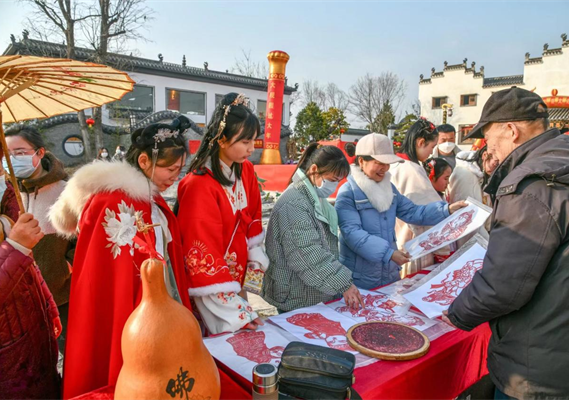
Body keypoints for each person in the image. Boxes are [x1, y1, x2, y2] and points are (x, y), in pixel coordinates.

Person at [444, 87, 569, 400]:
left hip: (536, 366)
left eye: (489, 139)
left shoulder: (530, 186)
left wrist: (456, 312)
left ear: (511, 131)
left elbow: (503, 285)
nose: (489, 150)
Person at [49, 117, 193, 399]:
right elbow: (106, 270)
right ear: (143, 160)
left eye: (179, 169)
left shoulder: (150, 199)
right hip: (128, 305)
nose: (175, 176)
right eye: (170, 168)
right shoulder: (110, 201)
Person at [176, 93, 267, 335]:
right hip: (212, 289)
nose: (251, 149)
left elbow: (253, 215)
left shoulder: (245, 170)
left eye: (254, 141)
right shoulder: (198, 185)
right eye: (245, 142)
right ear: (222, 139)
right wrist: (235, 311)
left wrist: (254, 257)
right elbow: (201, 252)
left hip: (237, 278)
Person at [335, 134, 465, 290]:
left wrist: (447, 209)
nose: (384, 168)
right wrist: (388, 254)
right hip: (360, 279)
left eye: (387, 163)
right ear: (362, 161)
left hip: (389, 275)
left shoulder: (389, 188)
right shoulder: (348, 193)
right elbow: (353, 234)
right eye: (379, 163)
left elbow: (414, 212)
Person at [0, 134, 61, 399]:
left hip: (29, 330)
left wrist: (48, 305)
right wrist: (16, 246)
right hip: (3, 353)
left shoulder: (6, 205)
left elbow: (28, 268)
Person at [262, 143, 365, 312]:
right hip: (294, 295)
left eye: (338, 182)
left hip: (306, 291)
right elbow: (307, 253)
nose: (334, 186)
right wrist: (343, 283)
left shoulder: (313, 197)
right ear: (314, 169)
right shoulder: (294, 203)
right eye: (332, 180)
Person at [4, 127, 73, 356]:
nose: (12, 160)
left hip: (61, 295)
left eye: (20, 152)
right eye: (8, 154)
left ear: (40, 152)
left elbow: (81, 241)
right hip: (18, 299)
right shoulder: (5, 193)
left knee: (71, 353)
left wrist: (65, 268)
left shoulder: (67, 192)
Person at [390, 118, 450, 275]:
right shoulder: (411, 170)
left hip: (397, 243)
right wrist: (442, 251)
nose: (432, 152)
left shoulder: (395, 165)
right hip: (414, 246)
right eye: (432, 146)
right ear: (421, 142)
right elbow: (430, 215)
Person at [448, 146, 499, 246]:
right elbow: (470, 221)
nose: (496, 169)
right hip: (472, 240)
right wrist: (488, 246)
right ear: (485, 155)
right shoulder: (465, 176)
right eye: (495, 163)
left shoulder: (480, 174)